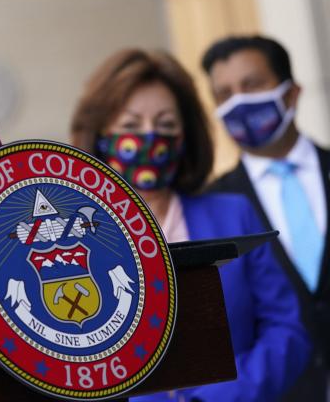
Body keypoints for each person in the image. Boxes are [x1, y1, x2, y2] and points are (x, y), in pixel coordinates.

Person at [71, 48, 308, 402]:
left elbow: (286, 330)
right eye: (132, 126)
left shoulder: (233, 214)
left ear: (185, 136)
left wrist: (220, 396)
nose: (150, 137)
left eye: (165, 125)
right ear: (101, 136)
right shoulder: (69, 238)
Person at [202, 35, 330, 401]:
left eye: (252, 85)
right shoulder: (213, 205)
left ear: (292, 94)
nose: (238, 102)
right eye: (224, 94)